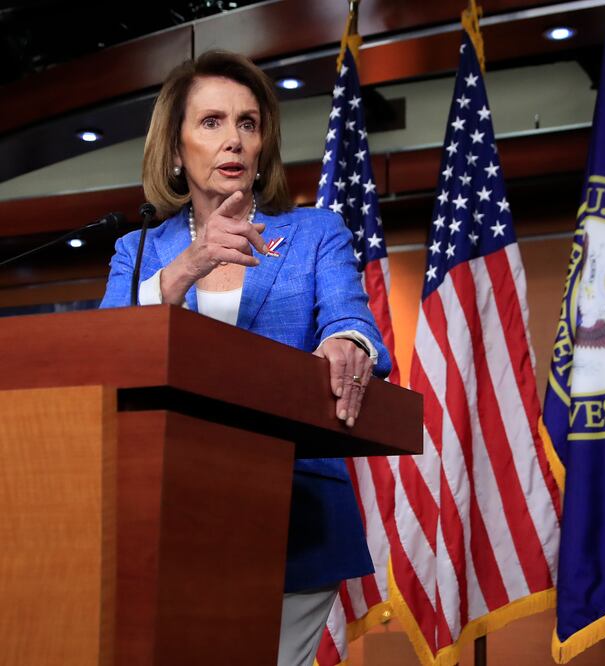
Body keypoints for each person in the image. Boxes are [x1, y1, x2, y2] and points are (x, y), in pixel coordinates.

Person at [99, 50, 390, 665]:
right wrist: (189, 266)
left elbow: (352, 321)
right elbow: (105, 351)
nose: (233, 139)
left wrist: (346, 344)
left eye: (248, 123)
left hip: (295, 515)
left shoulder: (315, 233)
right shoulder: (141, 248)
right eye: (211, 123)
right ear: (175, 151)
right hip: (168, 515)